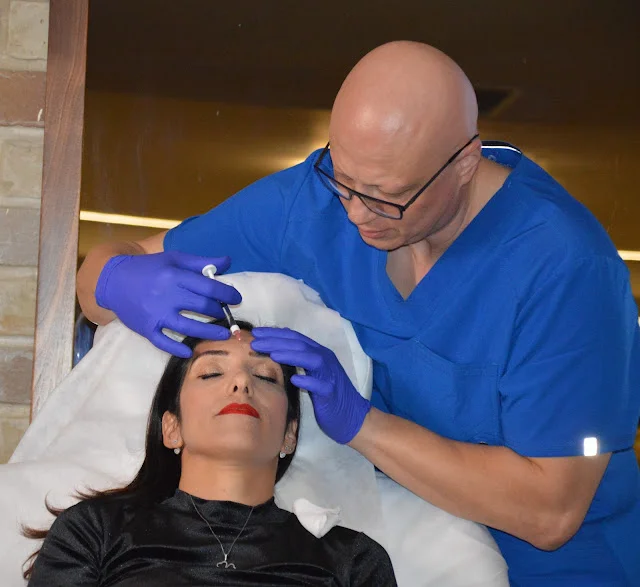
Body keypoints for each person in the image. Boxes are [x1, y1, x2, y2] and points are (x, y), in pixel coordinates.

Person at [76, 40, 640, 585]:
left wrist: (361, 423)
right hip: (401, 552)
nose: (355, 213)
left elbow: (549, 513)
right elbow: (106, 274)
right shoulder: (312, 202)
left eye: (386, 196)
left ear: (465, 163)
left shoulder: (564, 267)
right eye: (343, 180)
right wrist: (115, 280)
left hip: (554, 571)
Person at [24, 320, 397, 586]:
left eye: (265, 376)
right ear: (172, 428)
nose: (241, 382)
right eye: (211, 373)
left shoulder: (352, 560)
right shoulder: (96, 531)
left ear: (289, 435)